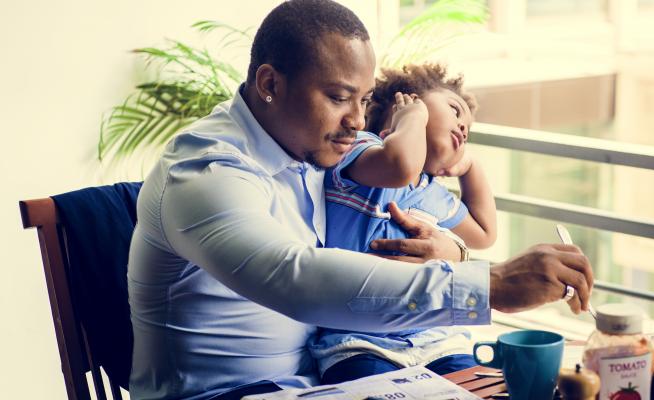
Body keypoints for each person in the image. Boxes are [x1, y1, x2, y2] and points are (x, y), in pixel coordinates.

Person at [127, 1, 594, 399]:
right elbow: (295, 276)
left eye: (364, 99)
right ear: (270, 85)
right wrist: (492, 285)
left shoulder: (311, 148)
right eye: (338, 97)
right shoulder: (205, 170)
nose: (357, 121)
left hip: (319, 382)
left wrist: (455, 252)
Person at [312, 63, 497, 384]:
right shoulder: (360, 152)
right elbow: (401, 165)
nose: (463, 130)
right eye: (455, 111)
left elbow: (484, 234)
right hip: (359, 342)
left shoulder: (432, 193)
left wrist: (470, 168)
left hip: (436, 340)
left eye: (468, 130)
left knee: (482, 388)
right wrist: (410, 118)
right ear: (405, 103)